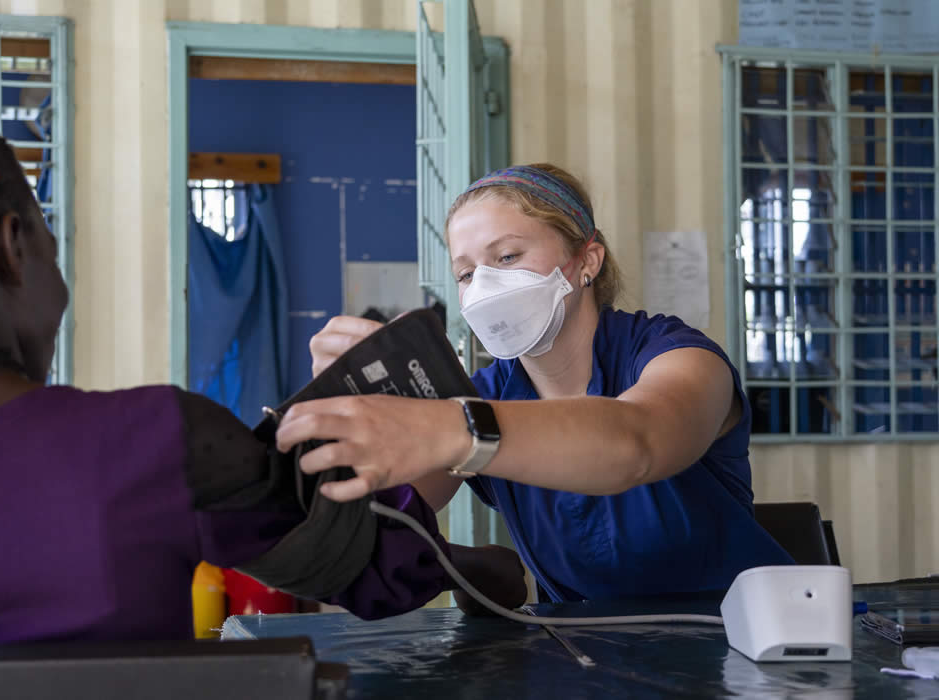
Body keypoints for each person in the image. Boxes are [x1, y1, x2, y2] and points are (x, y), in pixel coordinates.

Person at [0, 85, 524, 649]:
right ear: (11, 249)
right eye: (46, 237)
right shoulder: (156, 441)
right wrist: (488, 566)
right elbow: (376, 570)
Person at [281, 163, 794, 603]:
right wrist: (357, 406)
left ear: (586, 262)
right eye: (465, 274)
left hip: (748, 647)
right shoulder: (480, 397)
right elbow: (392, 510)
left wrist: (447, 425)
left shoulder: (677, 356)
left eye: (507, 257)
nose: (483, 286)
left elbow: (635, 441)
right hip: (584, 660)